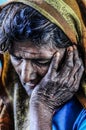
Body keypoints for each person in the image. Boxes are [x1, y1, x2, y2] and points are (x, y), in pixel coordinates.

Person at [0, 0, 86, 130]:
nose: (26, 76)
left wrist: (41, 106)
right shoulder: (11, 88)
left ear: (74, 53)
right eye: (17, 58)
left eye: (41, 61)